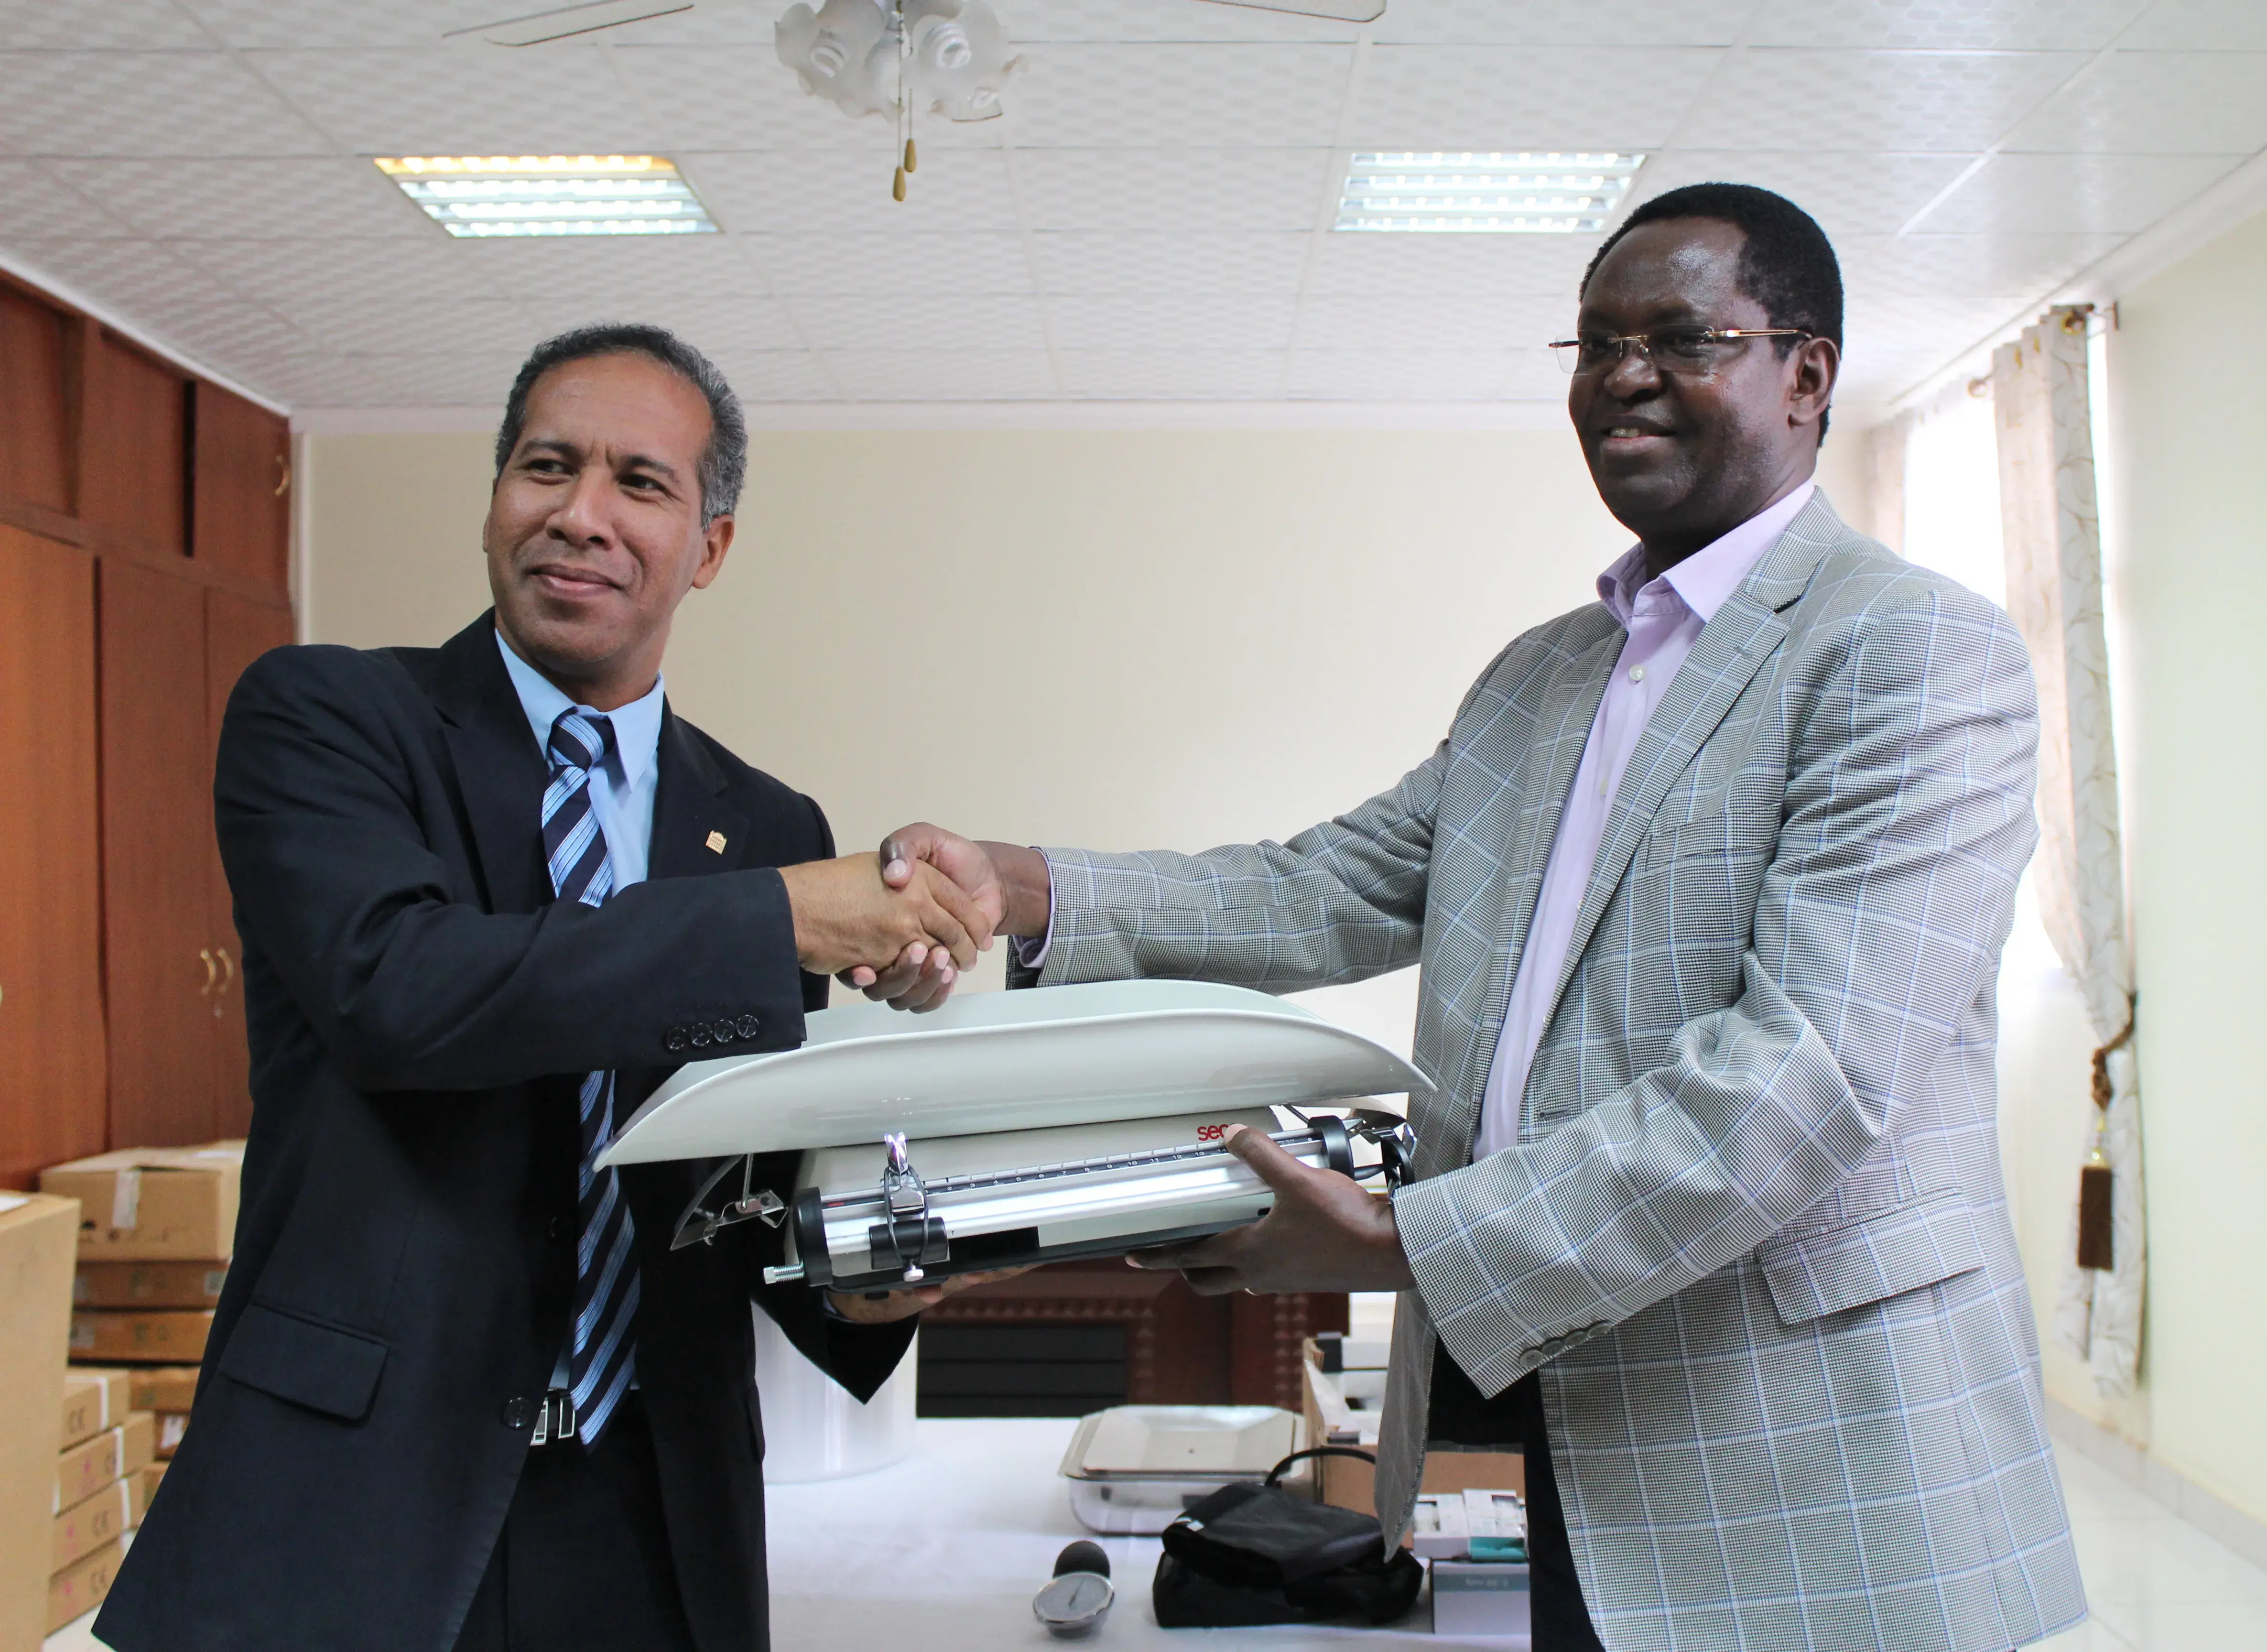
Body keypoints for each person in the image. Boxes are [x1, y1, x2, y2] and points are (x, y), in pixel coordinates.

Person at [859, 185, 2088, 1652]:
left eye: (1682, 337)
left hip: (1798, 1434)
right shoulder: (1542, 675)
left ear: (1806, 374)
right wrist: (1021, 882)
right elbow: (1323, 891)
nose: (1624, 374)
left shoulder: (1910, 650)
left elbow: (1808, 1074)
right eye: (1596, 342)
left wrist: (1402, 1239)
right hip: (1539, 1391)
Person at [98, 325, 1004, 1652]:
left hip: (653, 1519)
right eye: (546, 467)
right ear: (494, 502)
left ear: (709, 547)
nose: (580, 516)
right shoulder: (330, 718)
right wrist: (777, 920)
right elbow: (402, 994)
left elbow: (728, 1190)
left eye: (640, 482)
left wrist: (854, 1282)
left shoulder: (757, 821)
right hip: (352, 1511)